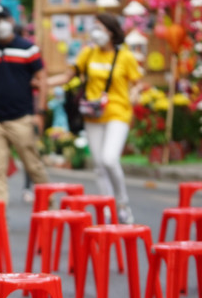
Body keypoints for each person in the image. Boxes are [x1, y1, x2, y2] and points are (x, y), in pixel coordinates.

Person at [52, 13, 142, 224]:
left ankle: (122, 203)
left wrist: (135, 94)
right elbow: (68, 76)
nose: (94, 32)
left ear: (111, 32)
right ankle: (107, 208)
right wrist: (43, 83)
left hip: (118, 112)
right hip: (93, 114)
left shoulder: (125, 56)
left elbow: (137, 82)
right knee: (99, 165)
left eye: (99, 27)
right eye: (94, 28)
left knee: (110, 159)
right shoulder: (88, 54)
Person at [0, 4, 49, 230]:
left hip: (21, 117)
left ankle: (49, 206)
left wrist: (40, 112)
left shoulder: (28, 49)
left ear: (10, 21)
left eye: (3, 19)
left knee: (33, 165)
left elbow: (42, 79)